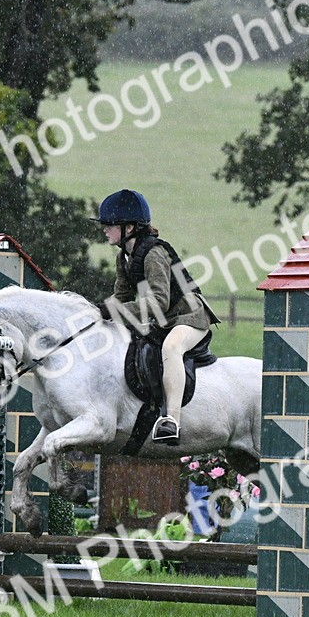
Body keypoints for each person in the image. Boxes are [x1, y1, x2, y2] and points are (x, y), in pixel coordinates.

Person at [93, 189, 219, 445]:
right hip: (163, 321)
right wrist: (95, 313)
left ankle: (171, 420)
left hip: (190, 316)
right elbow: (121, 298)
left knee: (171, 348)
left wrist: (116, 311)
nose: (105, 229)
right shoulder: (124, 257)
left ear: (129, 227)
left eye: (109, 225)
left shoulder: (154, 253)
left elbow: (159, 301)